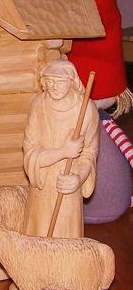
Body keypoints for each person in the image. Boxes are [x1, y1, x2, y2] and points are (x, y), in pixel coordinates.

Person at [23, 59, 99, 238]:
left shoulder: (86, 110)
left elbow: (89, 153)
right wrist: (63, 152)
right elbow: (30, 150)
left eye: (60, 81)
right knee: (39, 236)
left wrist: (78, 178)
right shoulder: (38, 105)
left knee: (65, 238)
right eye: (50, 81)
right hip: (42, 186)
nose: (54, 86)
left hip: (67, 183)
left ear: (72, 81)